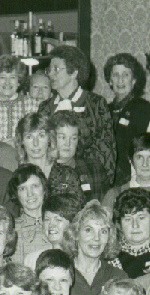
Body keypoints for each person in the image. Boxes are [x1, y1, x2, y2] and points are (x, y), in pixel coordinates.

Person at [39, 45, 116, 199]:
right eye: (49, 70)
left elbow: (107, 149)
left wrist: (101, 185)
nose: (51, 74)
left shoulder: (95, 103)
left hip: (89, 181)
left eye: (57, 69)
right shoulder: (45, 107)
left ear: (74, 72)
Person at [64, 200, 127, 295]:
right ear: (76, 234)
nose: (96, 238)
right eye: (89, 230)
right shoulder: (62, 272)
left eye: (103, 231)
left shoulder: (117, 277)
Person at [104, 52, 150, 186]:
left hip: (131, 179)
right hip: (106, 179)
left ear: (134, 80)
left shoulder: (143, 108)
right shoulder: (103, 110)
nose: (120, 80)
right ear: (110, 80)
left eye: (125, 75)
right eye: (115, 75)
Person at [15, 112, 84, 204]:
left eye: (41, 136)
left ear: (49, 139)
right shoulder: (16, 176)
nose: (36, 143)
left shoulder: (66, 175)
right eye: (29, 137)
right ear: (22, 141)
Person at [0, 55, 40, 147]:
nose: (7, 82)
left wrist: (18, 142)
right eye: (3, 77)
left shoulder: (32, 104)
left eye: (12, 77)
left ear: (18, 81)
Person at [112, 188, 150, 279]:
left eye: (141, 218)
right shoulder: (111, 258)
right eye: (128, 219)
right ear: (120, 224)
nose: (135, 225)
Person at [24, 193, 82, 270]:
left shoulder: (82, 259)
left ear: (73, 224)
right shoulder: (32, 260)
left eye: (58, 220)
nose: (51, 225)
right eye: (47, 219)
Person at [51, 112, 96, 200]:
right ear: (51, 138)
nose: (68, 143)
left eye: (73, 138)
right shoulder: (43, 171)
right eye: (62, 137)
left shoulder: (94, 168)